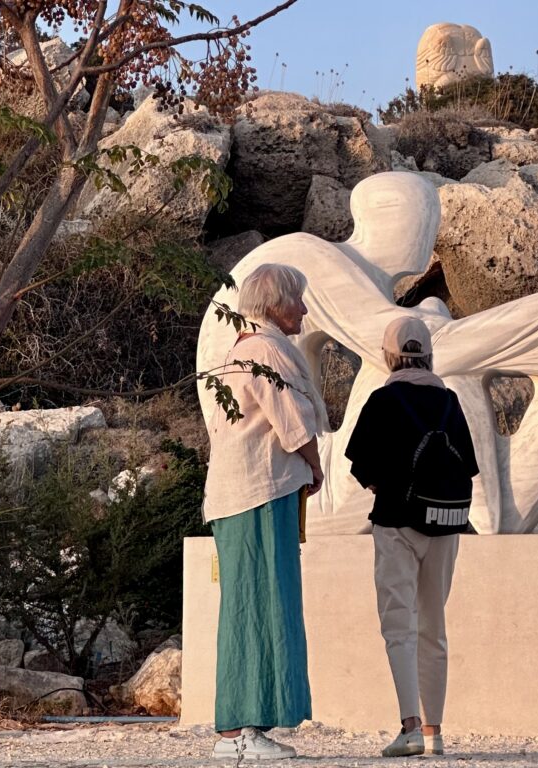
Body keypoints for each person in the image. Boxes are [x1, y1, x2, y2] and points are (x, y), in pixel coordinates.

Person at [202, 263, 328, 761]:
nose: (302, 308)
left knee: (252, 602)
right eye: (295, 299)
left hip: (246, 493)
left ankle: (244, 728)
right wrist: (316, 469)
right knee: (258, 603)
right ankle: (242, 731)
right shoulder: (266, 350)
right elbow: (293, 424)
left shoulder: (242, 350)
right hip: (258, 492)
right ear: (274, 305)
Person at [345, 316, 479, 757]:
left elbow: (361, 466)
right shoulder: (449, 401)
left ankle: (408, 726)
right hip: (445, 523)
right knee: (433, 625)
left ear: (389, 354)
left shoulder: (382, 401)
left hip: (397, 524)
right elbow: (468, 466)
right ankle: (434, 732)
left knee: (399, 625)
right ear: (428, 353)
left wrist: (389, 484)